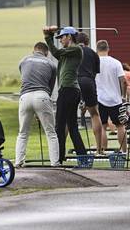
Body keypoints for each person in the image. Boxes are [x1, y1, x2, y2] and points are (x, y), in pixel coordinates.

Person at [43, 26, 87, 163]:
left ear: (69, 36)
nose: (60, 40)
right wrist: (51, 33)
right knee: (72, 126)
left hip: (68, 90)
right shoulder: (68, 52)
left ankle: (59, 158)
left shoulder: (76, 48)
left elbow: (55, 52)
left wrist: (47, 37)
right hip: (70, 90)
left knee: (60, 126)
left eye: (62, 37)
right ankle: (83, 157)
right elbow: (57, 53)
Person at [15, 42, 59, 167]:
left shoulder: (23, 61)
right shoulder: (51, 64)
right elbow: (50, 88)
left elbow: (24, 77)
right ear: (46, 52)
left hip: (24, 97)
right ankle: (55, 163)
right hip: (42, 95)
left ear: (34, 50)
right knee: (51, 132)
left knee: (22, 133)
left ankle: (18, 162)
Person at [95, 40, 128, 152]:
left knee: (103, 126)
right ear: (108, 49)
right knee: (120, 126)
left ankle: (102, 151)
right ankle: (124, 151)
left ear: (97, 49)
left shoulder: (94, 62)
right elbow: (123, 81)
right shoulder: (116, 62)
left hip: (100, 99)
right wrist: (123, 96)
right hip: (116, 99)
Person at [76, 32, 104, 155]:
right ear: (87, 42)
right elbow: (95, 72)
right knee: (94, 114)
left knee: (68, 116)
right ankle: (99, 149)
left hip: (74, 82)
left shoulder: (73, 51)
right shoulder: (93, 53)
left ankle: (61, 150)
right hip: (89, 81)